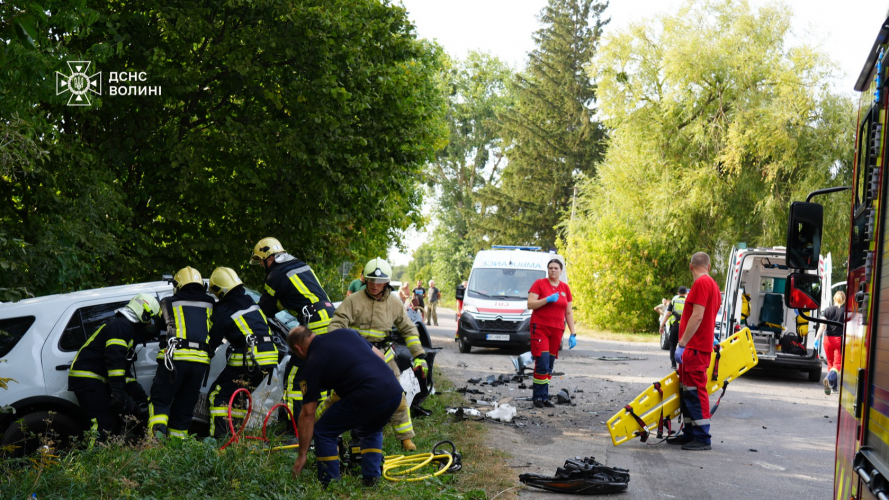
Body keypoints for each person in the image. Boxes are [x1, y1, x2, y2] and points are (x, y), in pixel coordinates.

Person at [328, 257, 427, 451]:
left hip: (384, 357)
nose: (374, 285)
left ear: (387, 283)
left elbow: (408, 329)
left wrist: (419, 355)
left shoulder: (394, 303)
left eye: (379, 282)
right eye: (371, 280)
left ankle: (406, 439)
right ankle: (318, 427)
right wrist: (350, 344)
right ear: (365, 280)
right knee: (339, 396)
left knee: (397, 397)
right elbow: (336, 325)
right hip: (356, 357)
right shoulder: (353, 301)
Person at [288, 326, 403, 487]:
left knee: (323, 431)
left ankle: (330, 484)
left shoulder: (311, 364)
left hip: (368, 393)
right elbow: (380, 356)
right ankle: (371, 479)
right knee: (371, 429)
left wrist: (302, 454)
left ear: (298, 349)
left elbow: (308, 414)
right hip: (394, 390)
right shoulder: (345, 333)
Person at [250, 237, 336, 428]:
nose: (262, 266)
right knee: (319, 377)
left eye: (261, 261)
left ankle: (295, 427)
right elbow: (295, 298)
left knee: (295, 377)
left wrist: (250, 313)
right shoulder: (300, 266)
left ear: (268, 257)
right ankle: (319, 426)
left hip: (315, 325)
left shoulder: (275, 275)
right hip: (332, 321)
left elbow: (266, 308)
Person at [68, 294, 160, 441]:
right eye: (151, 319)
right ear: (144, 314)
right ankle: (95, 461)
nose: (151, 324)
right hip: (88, 378)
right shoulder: (121, 326)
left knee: (112, 424)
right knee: (103, 425)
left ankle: (107, 458)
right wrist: (117, 391)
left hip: (94, 378)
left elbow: (121, 369)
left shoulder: (125, 328)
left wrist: (137, 392)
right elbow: (114, 360)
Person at [205, 267, 279, 437]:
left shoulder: (224, 310)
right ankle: (234, 437)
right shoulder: (249, 301)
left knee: (218, 395)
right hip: (268, 357)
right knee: (237, 398)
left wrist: (205, 353)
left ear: (219, 290)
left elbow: (213, 340)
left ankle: (220, 440)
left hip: (250, 359)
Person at [149, 267, 215, 438]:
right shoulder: (210, 303)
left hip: (175, 359)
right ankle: (177, 446)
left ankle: (156, 442)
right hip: (200, 362)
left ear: (178, 285)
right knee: (185, 406)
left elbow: (157, 326)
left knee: (160, 400)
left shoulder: (167, 302)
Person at [669, 252, 721, 451]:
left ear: (691, 266)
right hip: (697, 347)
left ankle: (701, 436)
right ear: (708, 266)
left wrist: (681, 344)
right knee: (688, 392)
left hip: (695, 348)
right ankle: (690, 433)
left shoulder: (701, 284)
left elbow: (698, 316)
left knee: (695, 392)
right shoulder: (714, 286)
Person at [526, 259, 576, 408]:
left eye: (556, 268)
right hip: (540, 328)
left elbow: (568, 312)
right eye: (550, 268)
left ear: (561, 271)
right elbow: (530, 304)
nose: (553, 270)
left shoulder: (565, 288)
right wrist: (546, 299)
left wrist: (573, 333)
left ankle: (545, 396)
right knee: (542, 361)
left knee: (549, 365)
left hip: (557, 330)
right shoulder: (539, 284)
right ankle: (537, 397)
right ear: (547, 270)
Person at [813, 291, 846, 395]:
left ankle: (833, 387)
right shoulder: (845, 311)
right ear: (844, 299)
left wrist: (816, 338)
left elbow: (822, 326)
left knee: (830, 363)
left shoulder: (827, 310)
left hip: (827, 339)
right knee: (838, 365)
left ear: (834, 299)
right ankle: (828, 379)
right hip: (838, 340)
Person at [660, 287, 688, 370]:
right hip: (685, 328)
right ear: (686, 293)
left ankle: (673, 364)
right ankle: (682, 365)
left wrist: (662, 326)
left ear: (678, 293)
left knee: (673, 346)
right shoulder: (688, 301)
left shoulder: (674, 300)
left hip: (675, 327)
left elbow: (668, 313)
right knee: (683, 346)